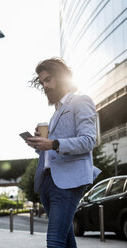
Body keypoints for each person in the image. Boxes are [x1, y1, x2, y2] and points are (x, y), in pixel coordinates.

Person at [26, 58, 101, 248]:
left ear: (61, 78)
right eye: (42, 82)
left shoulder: (80, 101)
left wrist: (52, 143)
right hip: (48, 182)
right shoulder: (54, 114)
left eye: (48, 80)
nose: (45, 86)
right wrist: (39, 144)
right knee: (66, 240)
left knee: (55, 241)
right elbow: (53, 150)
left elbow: (88, 140)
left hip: (68, 182)